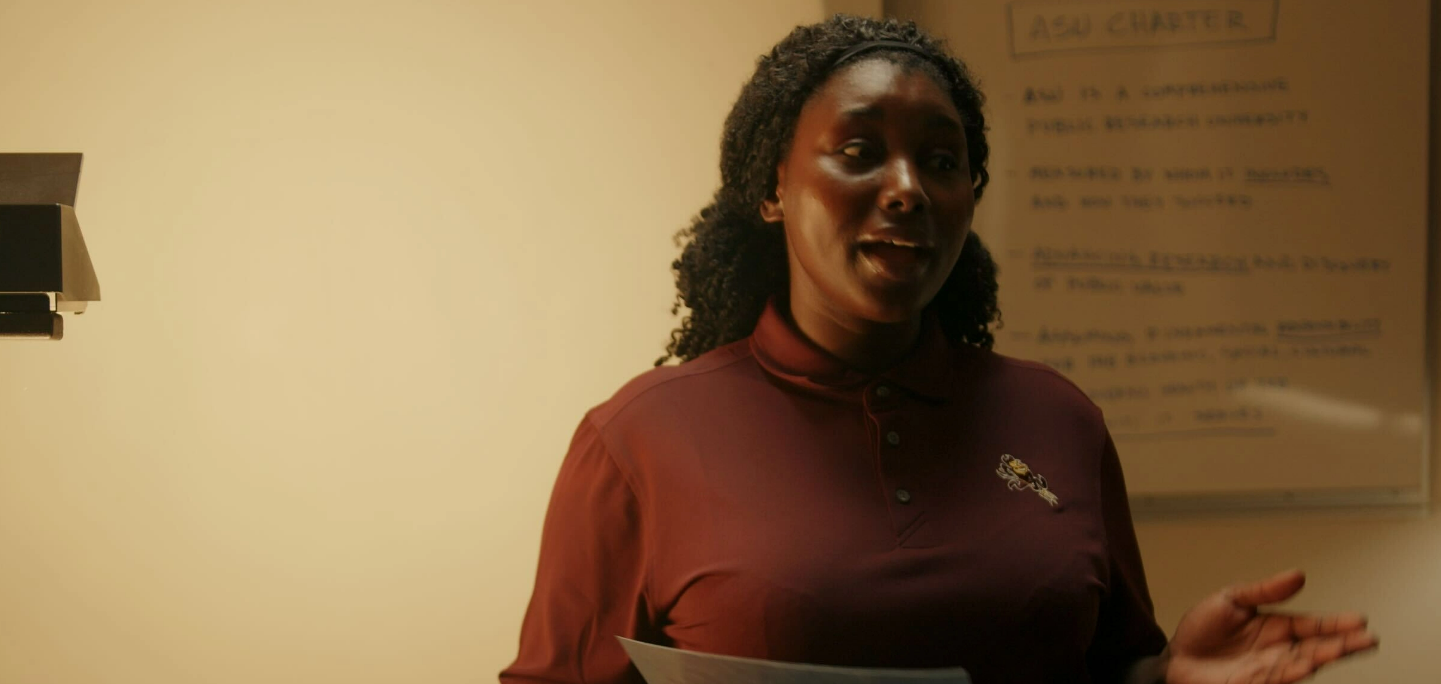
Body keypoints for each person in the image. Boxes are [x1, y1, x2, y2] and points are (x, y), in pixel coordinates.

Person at [500, 15, 1379, 684]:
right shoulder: (638, 441)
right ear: (772, 187)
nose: (908, 189)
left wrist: (1171, 677)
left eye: (941, 160)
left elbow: (1113, 669)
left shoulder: (1057, 417)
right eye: (857, 152)